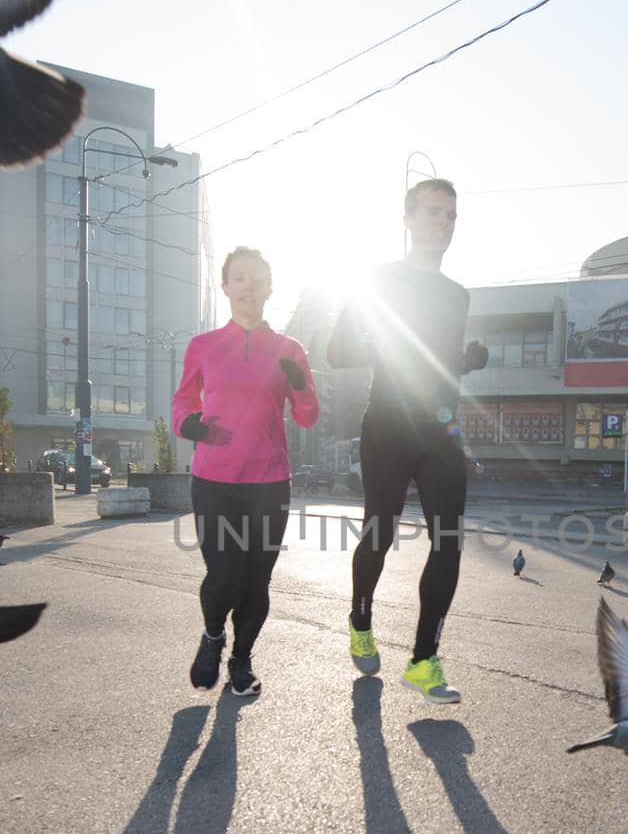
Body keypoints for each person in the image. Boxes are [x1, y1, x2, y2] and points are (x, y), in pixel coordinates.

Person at [327, 178, 489, 703]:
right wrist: (388, 340)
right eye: (433, 213)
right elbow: (338, 351)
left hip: (439, 429)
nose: (442, 224)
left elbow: (438, 366)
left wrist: (465, 362)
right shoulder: (376, 281)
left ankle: (423, 660)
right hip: (388, 427)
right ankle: (360, 616)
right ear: (408, 219)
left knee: (449, 542)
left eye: (451, 216)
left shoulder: (456, 295)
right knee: (380, 530)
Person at [172, 247, 319, 697]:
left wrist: (298, 384)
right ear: (226, 287)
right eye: (238, 278)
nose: (248, 285)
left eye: (256, 278)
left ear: (269, 287)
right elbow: (183, 401)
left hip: (269, 483)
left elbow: (309, 416)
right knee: (223, 575)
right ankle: (213, 636)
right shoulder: (204, 346)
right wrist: (188, 423)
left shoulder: (290, 350)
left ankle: (241, 660)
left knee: (256, 581)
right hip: (214, 480)